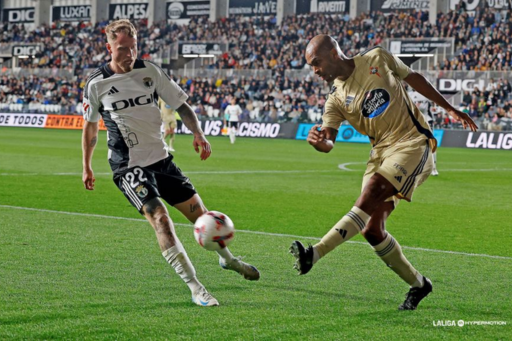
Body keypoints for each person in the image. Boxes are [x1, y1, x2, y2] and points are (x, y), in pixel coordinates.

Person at [289, 35, 477, 310]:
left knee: (373, 190)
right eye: (311, 66)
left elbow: (413, 78)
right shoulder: (335, 100)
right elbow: (329, 141)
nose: (315, 71)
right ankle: (419, 284)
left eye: (316, 63)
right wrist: (320, 143)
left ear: (333, 53)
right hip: (380, 153)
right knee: (371, 229)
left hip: (413, 142)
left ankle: (314, 254)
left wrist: (448, 108)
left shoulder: (376, 58)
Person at [81, 20, 260, 308]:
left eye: (133, 47)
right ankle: (195, 287)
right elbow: (90, 127)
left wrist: (198, 133)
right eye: (122, 49)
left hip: (162, 161)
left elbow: (182, 105)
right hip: (128, 166)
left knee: (203, 219)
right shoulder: (97, 83)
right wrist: (86, 165)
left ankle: (227, 260)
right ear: (109, 47)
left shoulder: (150, 71)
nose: (129, 54)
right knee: (160, 218)